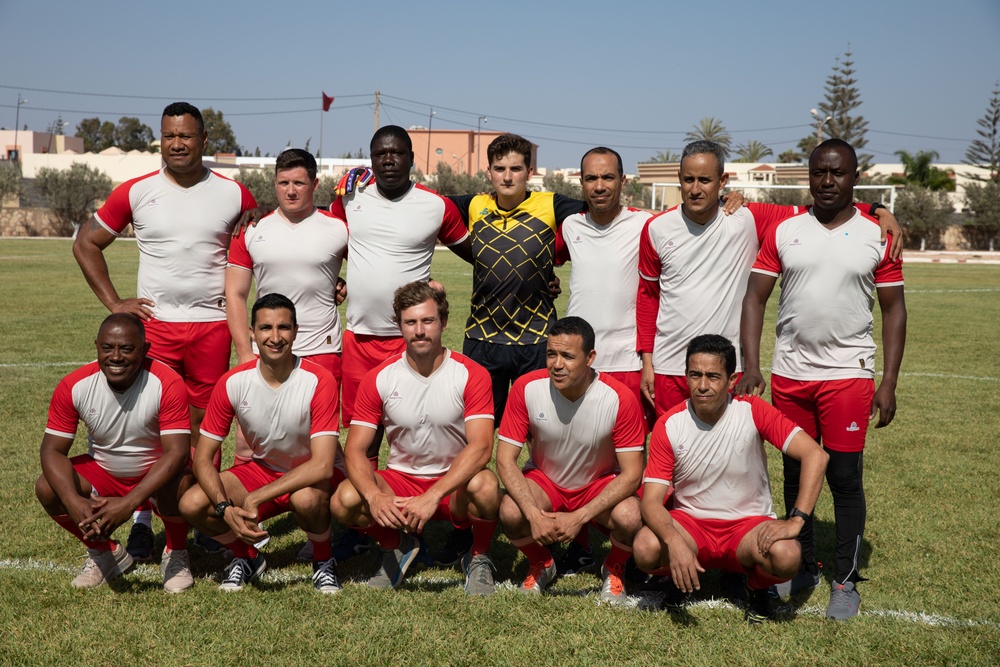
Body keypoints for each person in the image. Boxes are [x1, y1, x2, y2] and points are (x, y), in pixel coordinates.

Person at [73, 102, 257, 558]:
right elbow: (85, 243)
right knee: (147, 427)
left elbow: (263, 250)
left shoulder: (235, 195)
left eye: (186, 136)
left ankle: (197, 515)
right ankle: (141, 517)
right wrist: (116, 304)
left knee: (199, 431)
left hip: (212, 327)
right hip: (155, 329)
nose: (177, 144)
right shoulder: (136, 192)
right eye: (169, 136)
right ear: (161, 139)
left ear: (204, 141)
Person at [738, 139, 907, 620]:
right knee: (794, 471)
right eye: (818, 172)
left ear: (855, 177)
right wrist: (753, 364)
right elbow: (755, 299)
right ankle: (804, 563)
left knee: (845, 477)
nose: (827, 181)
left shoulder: (879, 234)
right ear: (809, 176)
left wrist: (888, 382)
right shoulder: (786, 230)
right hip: (790, 374)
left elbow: (895, 311)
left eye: (837, 172)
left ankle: (846, 581)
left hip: (848, 376)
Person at [637, 140, 902, 419]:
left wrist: (877, 209)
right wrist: (647, 362)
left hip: (729, 366)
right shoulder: (656, 228)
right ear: (679, 179)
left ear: (722, 180)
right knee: (674, 449)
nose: (695, 188)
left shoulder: (748, 216)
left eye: (705, 179)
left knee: (728, 452)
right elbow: (647, 296)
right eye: (688, 179)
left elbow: (819, 208)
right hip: (669, 365)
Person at [633, 334, 829, 623]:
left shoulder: (752, 410)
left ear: (732, 380)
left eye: (713, 376)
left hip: (748, 529)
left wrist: (796, 520)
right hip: (691, 526)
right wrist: (673, 540)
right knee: (645, 547)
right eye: (695, 375)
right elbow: (650, 502)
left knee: (787, 554)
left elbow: (816, 455)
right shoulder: (670, 423)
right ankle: (678, 579)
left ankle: (758, 588)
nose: (702, 385)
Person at [329, 282, 501, 595]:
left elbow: (481, 447)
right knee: (344, 499)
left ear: (444, 323)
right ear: (400, 326)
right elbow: (354, 449)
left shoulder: (471, 374)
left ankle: (478, 555)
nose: (419, 331)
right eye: (410, 322)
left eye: (427, 321)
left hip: (453, 487)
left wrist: (434, 494)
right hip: (401, 484)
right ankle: (399, 546)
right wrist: (374, 495)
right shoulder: (379, 377)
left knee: (487, 487)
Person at [179, 294, 344, 593]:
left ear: (296, 331)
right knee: (192, 503)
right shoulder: (233, 381)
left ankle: (323, 560)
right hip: (263, 470)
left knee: (305, 499)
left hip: (311, 475)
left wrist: (254, 497)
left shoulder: (318, 380)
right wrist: (224, 508)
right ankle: (248, 557)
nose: (275, 337)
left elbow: (321, 465)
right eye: (266, 328)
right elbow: (202, 458)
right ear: (252, 332)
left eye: (284, 327)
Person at [328, 126, 473, 446]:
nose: (388, 160)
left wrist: (533, 274)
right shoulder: (350, 198)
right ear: (371, 160)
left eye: (396, 153)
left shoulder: (436, 205)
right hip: (359, 339)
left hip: (411, 340)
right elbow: (326, 245)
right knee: (362, 437)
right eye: (380, 154)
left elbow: (478, 255)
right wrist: (334, 278)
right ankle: (365, 497)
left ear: (411, 159)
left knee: (416, 433)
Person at [34, 313, 195, 592]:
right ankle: (105, 553)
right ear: (97, 345)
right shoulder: (75, 385)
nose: (116, 357)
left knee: (181, 480)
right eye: (107, 348)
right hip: (104, 470)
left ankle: (177, 553)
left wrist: (130, 502)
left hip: (157, 470)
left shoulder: (166, 381)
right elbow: (52, 451)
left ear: (145, 349)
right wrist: (72, 500)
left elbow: (177, 453)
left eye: (127, 348)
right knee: (48, 487)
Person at [496, 316, 645, 604]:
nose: (557, 364)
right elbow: (504, 460)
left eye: (567, 356)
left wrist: (579, 517)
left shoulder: (619, 398)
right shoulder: (527, 387)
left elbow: (632, 474)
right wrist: (532, 514)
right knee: (511, 511)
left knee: (630, 516)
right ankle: (543, 563)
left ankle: (613, 567)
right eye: (551, 353)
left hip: (598, 483)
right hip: (545, 481)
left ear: (590, 357)